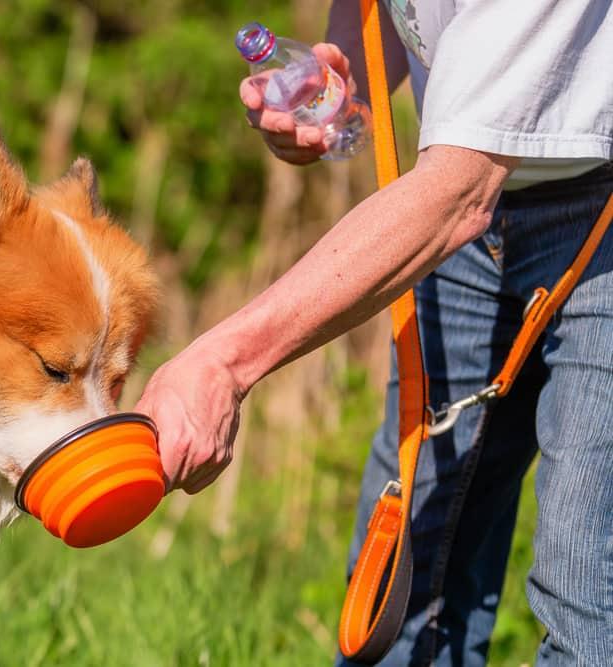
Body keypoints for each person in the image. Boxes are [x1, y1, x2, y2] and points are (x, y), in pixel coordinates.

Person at [134, 1, 613, 664]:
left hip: (567, 193)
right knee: (401, 579)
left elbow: (454, 194)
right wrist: (340, 68)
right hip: (470, 190)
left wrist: (222, 361)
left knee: (586, 599)